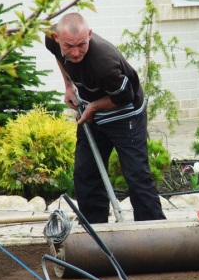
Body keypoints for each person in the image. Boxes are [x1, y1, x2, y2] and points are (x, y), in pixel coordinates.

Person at [45, 12, 167, 224]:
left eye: (81, 45)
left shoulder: (103, 61)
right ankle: (96, 231)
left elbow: (124, 95)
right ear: (58, 39)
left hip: (125, 113)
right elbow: (58, 55)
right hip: (91, 109)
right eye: (68, 46)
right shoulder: (52, 38)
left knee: (136, 176)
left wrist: (93, 107)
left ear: (89, 35)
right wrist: (68, 86)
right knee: (86, 173)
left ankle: (153, 231)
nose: (75, 53)